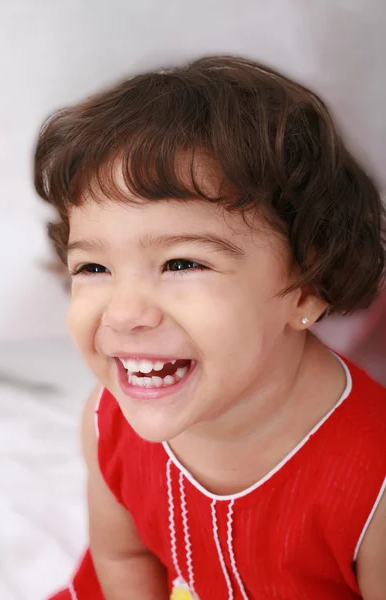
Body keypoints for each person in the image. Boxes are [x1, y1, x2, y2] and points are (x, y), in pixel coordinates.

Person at [34, 55, 386, 600]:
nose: (124, 313)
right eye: (93, 268)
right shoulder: (108, 421)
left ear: (307, 288)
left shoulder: (375, 481)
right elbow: (122, 554)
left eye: (180, 264)